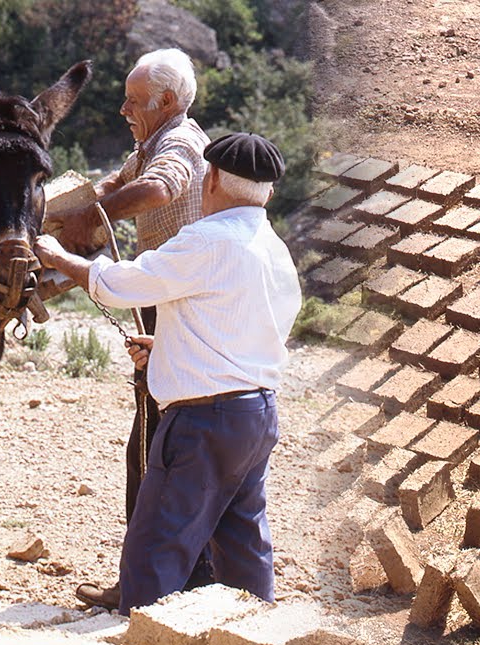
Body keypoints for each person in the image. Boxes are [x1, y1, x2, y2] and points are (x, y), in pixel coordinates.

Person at [35, 132, 302, 613]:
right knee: (243, 542)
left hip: (205, 422)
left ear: (213, 179)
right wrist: (171, 345)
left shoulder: (206, 239)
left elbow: (120, 284)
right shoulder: (274, 248)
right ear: (270, 192)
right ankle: (255, 642)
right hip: (257, 414)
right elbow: (251, 327)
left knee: (156, 548)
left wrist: (58, 257)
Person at [44, 48, 211, 605]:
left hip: (176, 313)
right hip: (171, 309)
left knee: (150, 448)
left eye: (134, 101)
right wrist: (71, 209)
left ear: (166, 102)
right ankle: (185, 579)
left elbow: (160, 188)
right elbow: (116, 183)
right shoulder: (151, 144)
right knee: (172, 441)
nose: (122, 109)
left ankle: (144, 585)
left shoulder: (179, 143)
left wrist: (93, 217)